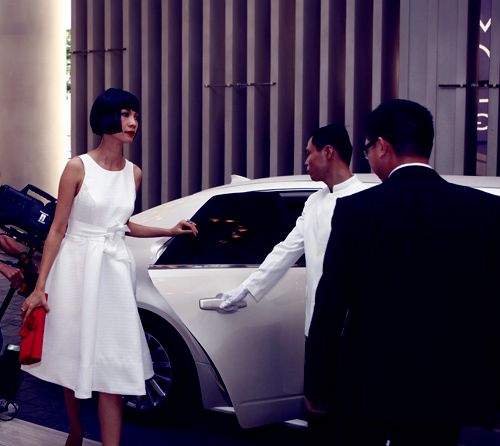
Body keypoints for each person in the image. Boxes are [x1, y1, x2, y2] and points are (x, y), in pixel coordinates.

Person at [304, 99, 500, 446]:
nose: (369, 158)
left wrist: (317, 387)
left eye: (367, 150)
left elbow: (331, 306)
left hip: (368, 382)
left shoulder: (356, 211)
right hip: (447, 386)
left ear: (382, 146)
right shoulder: (485, 210)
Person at [20, 88, 197, 446]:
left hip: (114, 272)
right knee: (73, 357)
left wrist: (168, 229)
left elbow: (122, 224)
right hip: (75, 269)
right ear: (105, 118)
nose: (133, 123)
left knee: (113, 367)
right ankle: (75, 427)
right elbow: (58, 229)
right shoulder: (77, 167)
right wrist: (40, 288)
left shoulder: (134, 173)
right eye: (125, 114)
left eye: (136, 116)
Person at [219, 124, 367, 439]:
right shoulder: (313, 202)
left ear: (329, 152)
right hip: (317, 327)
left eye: (309, 153)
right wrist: (245, 289)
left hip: (358, 329)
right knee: (318, 410)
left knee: (354, 414)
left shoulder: (367, 200)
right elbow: (285, 250)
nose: (305, 161)